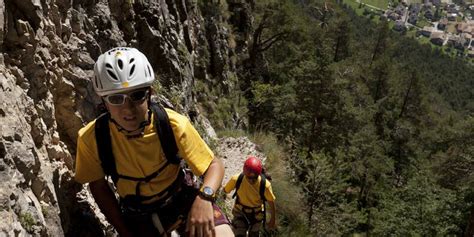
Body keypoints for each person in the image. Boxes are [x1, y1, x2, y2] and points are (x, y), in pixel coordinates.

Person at [74, 47, 234, 237]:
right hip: (137, 215)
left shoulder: (172, 124)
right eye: (116, 99)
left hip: (181, 199)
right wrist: (124, 231)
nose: (128, 109)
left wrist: (205, 197)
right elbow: (98, 187)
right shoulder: (92, 138)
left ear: (149, 93)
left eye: (137, 95)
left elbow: (213, 165)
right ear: (104, 102)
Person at [223, 156, 276, 237]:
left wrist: (272, 219)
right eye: (249, 178)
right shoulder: (236, 179)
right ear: (244, 173)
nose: (251, 180)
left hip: (256, 215)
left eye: (254, 178)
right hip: (240, 213)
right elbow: (224, 191)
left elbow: (271, 202)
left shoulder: (265, 185)